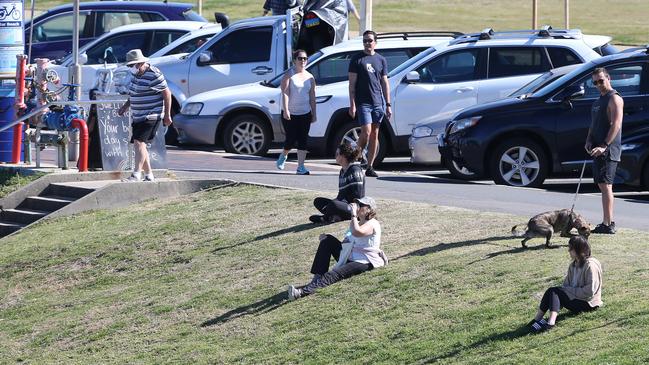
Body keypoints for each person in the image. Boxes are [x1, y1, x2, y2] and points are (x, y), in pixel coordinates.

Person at [288, 196, 387, 300]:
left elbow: (357, 232)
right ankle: (316, 280)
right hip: (349, 255)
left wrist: (353, 214)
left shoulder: (372, 223)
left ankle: (300, 293)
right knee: (327, 240)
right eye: (357, 204)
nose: (357, 207)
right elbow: (350, 238)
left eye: (361, 205)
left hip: (364, 261)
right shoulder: (356, 223)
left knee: (333, 275)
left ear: (369, 209)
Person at [118, 49, 173, 182]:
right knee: (141, 145)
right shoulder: (135, 75)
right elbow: (134, 94)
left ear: (140, 63)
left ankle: (136, 174)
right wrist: (125, 107)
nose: (130, 68)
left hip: (151, 114)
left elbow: (167, 93)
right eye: (129, 65)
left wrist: (167, 115)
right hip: (138, 116)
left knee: (139, 143)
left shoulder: (154, 74)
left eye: (132, 65)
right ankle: (149, 175)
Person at [529, 236, 602, 332]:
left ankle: (549, 322)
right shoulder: (573, 265)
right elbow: (565, 286)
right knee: (552, 291)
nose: (569, 251)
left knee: (554, 291)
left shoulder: (590, 265)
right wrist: (564, 294)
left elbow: (589, 291)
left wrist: (568, 291)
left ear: (578, 249)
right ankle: (539, 320)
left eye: (570, 248)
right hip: (577, 299)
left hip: (589, 304)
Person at [585, 67, 623, 234]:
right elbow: (593, 125)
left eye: (601, 80)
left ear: (609, 79)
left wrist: (604, 145)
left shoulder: (614, 98)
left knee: (606, 185)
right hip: (596, 147)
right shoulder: (597, 101)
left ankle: (608, 224)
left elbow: (616, 124)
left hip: (608, 149)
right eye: (595, 82)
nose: (599, 84)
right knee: (602, 184)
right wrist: (589, 140)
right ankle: (605, 222)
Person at [348, 30, 391, 178]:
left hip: (378, 103)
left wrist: (388, 104)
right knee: (365, 132)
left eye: (370, 40)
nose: (367, 43)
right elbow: (352, 84)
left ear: (375, 42)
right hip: (363, 103)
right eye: (365, 41)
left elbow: (384, 82)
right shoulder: (357, 60)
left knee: (374, 135)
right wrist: (352, 104)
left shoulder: (381, 60)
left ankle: (370, 166)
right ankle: (355, 160)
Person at [276, 49, 316, 175]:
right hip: (291, 113)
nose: (303, 61)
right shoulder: (289, 75)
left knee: (303, 140)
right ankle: (283, 155)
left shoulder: (310, 77)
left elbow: (312, 97)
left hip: (305, 113)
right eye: (300, 58)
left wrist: (314, 113)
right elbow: (285, 93)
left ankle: (301, 167)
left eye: (305, 58)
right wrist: (286, 110)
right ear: (294, 61)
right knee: (291, 139)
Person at [309, 143, 364, 224]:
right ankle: (335, 216)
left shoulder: (355, 170)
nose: (335, 156)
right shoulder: (342, 171)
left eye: (337, 154)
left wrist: (337, 205)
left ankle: (325, 218)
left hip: (355, 208)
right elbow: (341, 194)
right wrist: (336, 202)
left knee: (334, 205)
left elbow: (358, 197)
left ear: (343, 156)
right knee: (318, 201)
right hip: (345, 205)